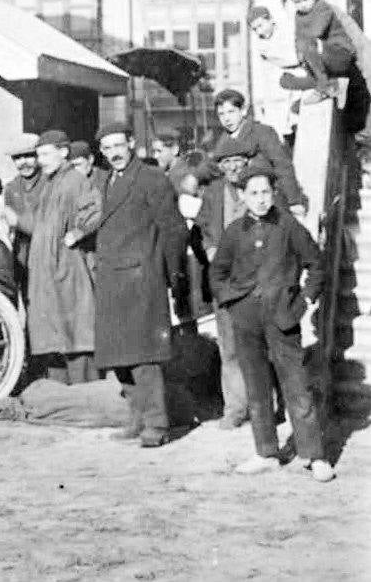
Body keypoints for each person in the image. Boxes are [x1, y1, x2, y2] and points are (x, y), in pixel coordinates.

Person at [208, 164, 333, 481]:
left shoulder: (289, 226)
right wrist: (232, 302)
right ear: (242, 196)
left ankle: (313, 455)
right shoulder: (234, 232)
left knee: (297, 387)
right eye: (253, 193)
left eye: (266, 192)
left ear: (273, 193)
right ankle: (266, 452)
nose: (261, 199)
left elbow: (316, 266)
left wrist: (303, 302)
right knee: (256, 387)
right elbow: (217, 272)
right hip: (246, 320)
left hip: (283, 318)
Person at [93, 123, 188, 448]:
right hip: (112, 280)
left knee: (144, 356)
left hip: (140, 279)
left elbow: (174, 230)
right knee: (120, 354)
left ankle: (157, 424)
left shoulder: (150, 178)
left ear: (132, 143)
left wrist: (170, 276)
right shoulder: (108, 180)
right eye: (106, 148)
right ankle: (137, 419)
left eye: (119, 145)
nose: (114, 153)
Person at [12, 129, 100, 385]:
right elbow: (43, 227)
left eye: (46, 154)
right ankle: (62, 395)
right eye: (38, 155)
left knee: (75, 334)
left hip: (68, 269)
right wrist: (15, 219)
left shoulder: (74, 180)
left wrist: (78, 232)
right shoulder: (51, 183)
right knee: (55, 336)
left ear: (63, 152)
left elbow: (95, 210)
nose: (41, 160)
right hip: (48, 273)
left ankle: (87, 397)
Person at [193, 139, 257, 429]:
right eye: (227, 162)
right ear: (219, 166)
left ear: (247, 162)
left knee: (258, 345)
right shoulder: (214, 193)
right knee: (228, 348)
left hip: (255, 281)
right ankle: (235, 408)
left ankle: (263, 407)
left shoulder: (258, 190)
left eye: (238, 161)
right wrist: (208, 249)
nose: (233, 167)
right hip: (225, 281)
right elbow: (202, 229)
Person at [207, 89, 305, 218]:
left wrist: (294, 200)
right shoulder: (222, 141)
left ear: (243, 110)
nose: (226, 118)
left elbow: (282, 165)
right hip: (238, 202)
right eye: (221, 114)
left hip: (267, 197)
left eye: (231, 112)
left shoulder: (262, 133)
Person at [283, 0, 366, 103]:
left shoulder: (323, 8)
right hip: (324, 55)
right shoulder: (299, 16)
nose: (302, 5)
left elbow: (317, 31)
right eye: (297, 2)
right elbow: (298, 37)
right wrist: (300, 55)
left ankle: (324, 87)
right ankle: (326, 84)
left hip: (341, 53)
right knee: (304, 52)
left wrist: (304, 46)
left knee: (308, 47)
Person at [248, 6, 303, 144]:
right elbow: (260, 75)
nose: (259, 31)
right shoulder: (261, 45)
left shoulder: (286, 33)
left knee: (297, 125)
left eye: (261, 25)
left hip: (296, 85)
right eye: (255, 29)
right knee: (280, 132)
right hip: (275, 92)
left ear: (271, 20)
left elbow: (294, 58)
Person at [2, 132, 43, 291]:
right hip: (24, 254)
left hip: (49, 252)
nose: (23, 162)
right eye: (17, 158)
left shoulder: (50, 182)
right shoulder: (11, 188)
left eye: (28, 156)